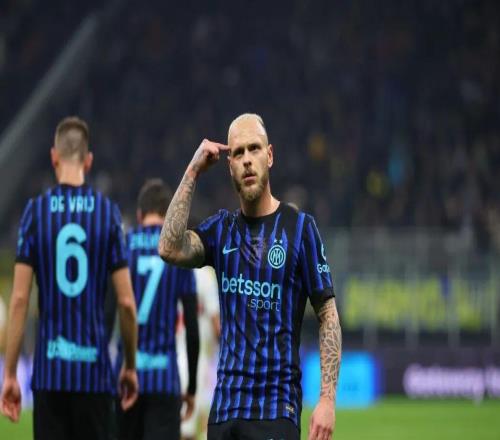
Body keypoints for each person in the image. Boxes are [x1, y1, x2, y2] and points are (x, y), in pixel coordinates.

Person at [158, 113, 342, 440]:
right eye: (237, 152)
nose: (246, 160)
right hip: (224, 413)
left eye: (254, 149)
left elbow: (327, 314)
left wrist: (327, 399)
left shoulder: (300, 230)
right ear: (229, 165)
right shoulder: (221, 230)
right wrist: (192, 171)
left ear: (269, 156)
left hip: (275, 412)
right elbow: (169, 248)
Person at [0, 116, 138, 440]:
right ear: (88, 161)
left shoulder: (35, 213)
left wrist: (10, 374)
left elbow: (19, 299)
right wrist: (130, 366)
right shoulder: (107, 214)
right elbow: (126, 302)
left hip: (50, 374)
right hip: (95, 375)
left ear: (54, 157)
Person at [116, 178, 199, 440]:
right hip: (165, 379)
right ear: (168, 214)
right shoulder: (177, 252)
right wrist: (191, 387)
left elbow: (107, 313)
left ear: (139, 214)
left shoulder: (123, 246)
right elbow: (192, 327)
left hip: (124, 379)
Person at [179, 265, 220, 440]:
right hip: (195, 360)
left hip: (171, 357)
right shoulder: (205, 277)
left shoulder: (174, 270)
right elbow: (217, 325)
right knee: (187, 431)